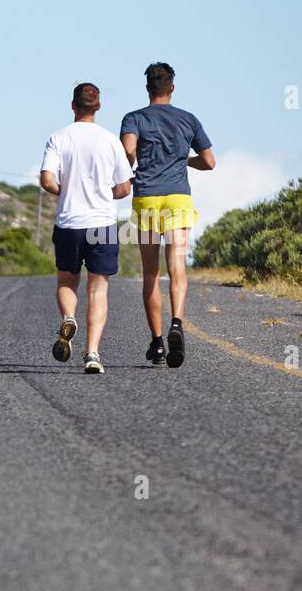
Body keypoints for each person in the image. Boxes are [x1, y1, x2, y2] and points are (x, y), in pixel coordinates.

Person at [120, 62, 216, 368]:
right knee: (177, 266)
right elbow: (210, 161)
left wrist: (135, 165)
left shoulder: (134, 118)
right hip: (177, 198)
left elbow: (128, 150)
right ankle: (177, 322)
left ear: (148, 88)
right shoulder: (189, 119)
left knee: (150, 273)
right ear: (171, 87)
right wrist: (186, 162)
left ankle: (158, 343)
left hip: (147, 196)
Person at [39, 83, 134, 374]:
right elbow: (124, 187)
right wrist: (107, 195)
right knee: (98, 289)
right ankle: (92, 353)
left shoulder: (58, 138)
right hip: (102, 223)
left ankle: (69, 316)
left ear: (72, 106)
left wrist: (63, 191)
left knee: (67, 282)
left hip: (69, 223)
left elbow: (46, 179)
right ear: (99, 107)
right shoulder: (110, 141)